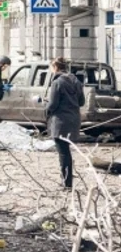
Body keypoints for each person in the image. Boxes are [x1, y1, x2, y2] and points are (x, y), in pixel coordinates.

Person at [45, 57, 85, 190]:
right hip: (74, 120)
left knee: (63, 153)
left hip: (60, 122)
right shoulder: (76, 81)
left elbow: (53, 104)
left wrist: (46, 111)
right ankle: (67, 181)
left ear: (55, 67)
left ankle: (67, 183)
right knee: (66, 151)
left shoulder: (57, 82)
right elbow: (81, 102)